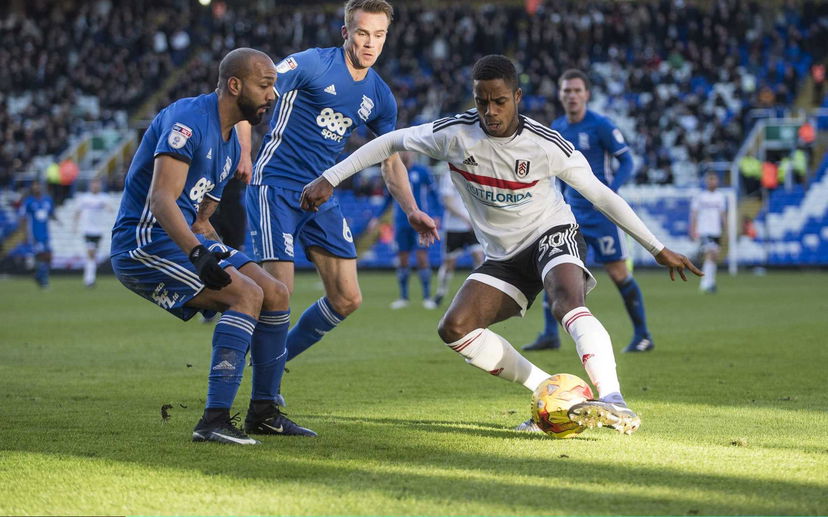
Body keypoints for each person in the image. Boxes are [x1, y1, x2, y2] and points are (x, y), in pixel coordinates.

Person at [301, 55, 702, 435]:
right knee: (454, 328)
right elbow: (388, 143)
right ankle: (551, 391)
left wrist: (655, 247)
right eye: (481, 101)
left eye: (499, 101)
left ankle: (614, 398)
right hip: (503, 256)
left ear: (517, 99)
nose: (490, 111)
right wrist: (331, 177)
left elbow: (602, 196)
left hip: (551, 233)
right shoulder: (455, 135)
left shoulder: (546, 145)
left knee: (566, 303)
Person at [111, 48, 315, 445]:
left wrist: (222, 254)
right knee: (245, 295)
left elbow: (202, 220)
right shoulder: (188, 120)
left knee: (274, 292)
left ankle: (264, 413)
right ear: (235, 85)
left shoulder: (228, 141)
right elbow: (161, 200)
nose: (273, 95)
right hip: (145, 242)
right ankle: (213, 421)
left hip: (183, 237)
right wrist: (199, 255)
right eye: (266, 85)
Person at [241, 0, 437, 398]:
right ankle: (265, 401)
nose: (370, 43)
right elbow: (255, 90)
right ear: (346, 32)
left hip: (321, 194)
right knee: (279, 295)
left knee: (347, 298)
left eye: (379, 35)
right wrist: (243, 151)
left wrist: (412, 209)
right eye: (362, 33)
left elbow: (390, 161)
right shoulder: (313, 63)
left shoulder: (380, 97)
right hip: (275, 186)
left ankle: (270, 361)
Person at [524, 69, 654, 354]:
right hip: (571, 216)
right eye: (566, 91)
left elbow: (628, 161)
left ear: (586, 95)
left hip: (603, 216)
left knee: (618, 273)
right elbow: (554, 172)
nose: (571, 95)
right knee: (554, 272)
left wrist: (611, 192)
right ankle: (549, 334)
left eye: (576, 90)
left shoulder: (602, 126)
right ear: (560, 95)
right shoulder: (557, 127)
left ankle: (643, 335)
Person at [373, 151, 441, 309]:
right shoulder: (394, 173)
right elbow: (388, 198)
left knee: (422, 257)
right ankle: (403, 297)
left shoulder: (422, 172)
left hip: (420, 222)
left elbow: (434, 194)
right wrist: (376, 217)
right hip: (401, 222)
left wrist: (437, 214)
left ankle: (427, 297)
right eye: (402, 150)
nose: (406, 153)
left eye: (408, 150)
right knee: (402, 259)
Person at [431, 170, 484, 307]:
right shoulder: (449, 175)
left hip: (473, 227)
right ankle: (440, 293)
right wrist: (465, 218)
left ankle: (478, 295)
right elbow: (447, 202)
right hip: (454, 227)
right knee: (449, 263)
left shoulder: (474, 174)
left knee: (479, 257)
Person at [690, 172, 727, 294]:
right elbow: (694, 214)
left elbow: (722, 214)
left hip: (716, 230)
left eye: (714, 180)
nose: (712, 182)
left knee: (714, 256)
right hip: (704, 230)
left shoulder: (720, 197)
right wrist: (693, 229)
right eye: (710, 180)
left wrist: (725, 228)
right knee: (710, 254)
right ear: (707, 182)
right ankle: (705, 284)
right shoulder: (701, 196)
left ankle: (710, 282)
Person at [74, 178, 112, 287]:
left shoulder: (104, 198)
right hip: (87, 230)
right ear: (90, 185)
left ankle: (90, 278)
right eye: (94, 184)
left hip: (98, 231)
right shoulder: (85, 198)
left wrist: (107, 207)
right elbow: (77, 212)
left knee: (92, 256)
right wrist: (75, 226)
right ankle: (89, 280)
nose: (95, 186)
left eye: (97, 184)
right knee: (91, 254)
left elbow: (111, 210)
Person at [18, 181, 54, 288]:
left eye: (38, 185)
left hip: (46, 233)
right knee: (43, 255)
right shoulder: (28, 201)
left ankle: (38, 275)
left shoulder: (47, 200)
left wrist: (58, 220)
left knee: (48, 256)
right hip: (35, 234)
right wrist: (24, 233)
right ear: (32, 188)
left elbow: (51, 213)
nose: (37, 187)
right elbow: (23, 217)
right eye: (34, 186)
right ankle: (43, 280)